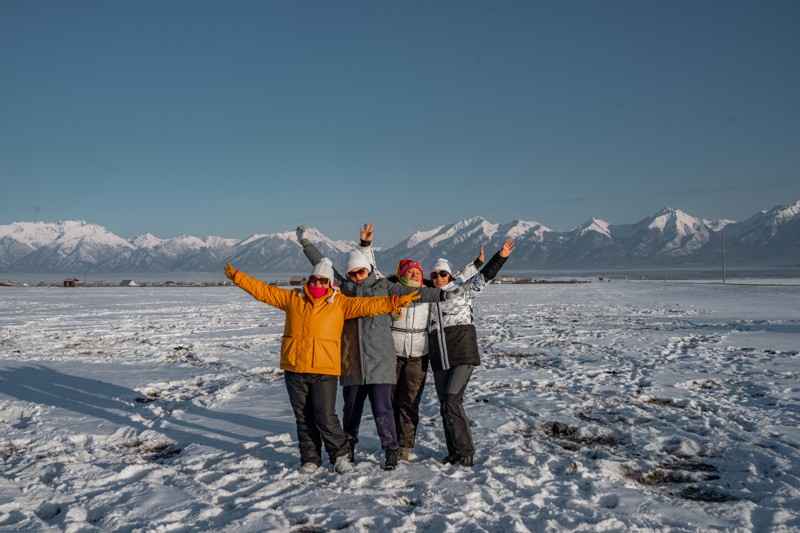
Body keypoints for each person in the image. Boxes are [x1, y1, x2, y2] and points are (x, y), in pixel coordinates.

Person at [224, 258, 419, 475]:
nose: (317, 284)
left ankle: (341, 456)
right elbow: (263, 291)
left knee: (326, 417)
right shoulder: (293, 299)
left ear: (330, 283)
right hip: (295, 368)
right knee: (303, 417)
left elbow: (368, 305)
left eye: (322, 280)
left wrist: (394, 302)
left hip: (324, 370)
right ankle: (311, 459)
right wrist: (238, 277)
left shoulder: (340, 303)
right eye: (314, 279)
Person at [296, 223, 461, 470]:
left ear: (369, 269)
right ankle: (348, 447)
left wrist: (442, 295)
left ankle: (391, 450)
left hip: (381, 361)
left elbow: (414, 294)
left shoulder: (384, 287)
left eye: (360, 272)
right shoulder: (343, 291)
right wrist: (306, 244)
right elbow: (323, 266)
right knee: (351, 410)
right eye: (352, 274)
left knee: (383, 409)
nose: (357, 277)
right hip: (352, 361)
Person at [358, 231, 484, 462]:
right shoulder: (391, 289)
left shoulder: (429, 292)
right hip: (392, 353)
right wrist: (366, 245)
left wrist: (476, 265)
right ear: (401, 275)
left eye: (418, 271)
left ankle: (404, 446)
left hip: (418, 355)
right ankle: (390, 445)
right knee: (388, 401)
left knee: (409, 402)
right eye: (410, 272)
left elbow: (454, 279)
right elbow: (372, 271)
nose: (415, 274)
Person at [428, 239, 516, 467]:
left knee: (451, 401)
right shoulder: (426, 298)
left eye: (442, 274)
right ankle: (453, 451)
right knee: (444, 406)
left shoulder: (461, 291)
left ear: (448, 276)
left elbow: (483, 277)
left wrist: (500, 257)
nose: (438, 278)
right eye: (434, 275)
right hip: (439, 358)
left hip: (462, 355)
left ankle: (466, 451)